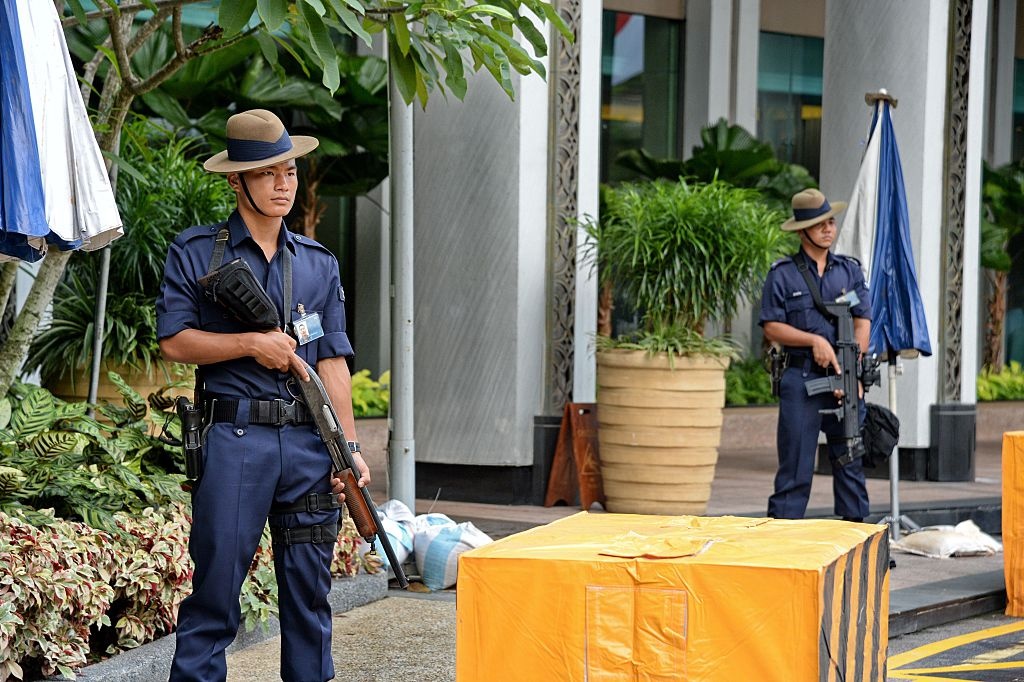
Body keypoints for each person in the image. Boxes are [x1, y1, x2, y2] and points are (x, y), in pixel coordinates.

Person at [156, 109, 370, 682]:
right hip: (235, 442)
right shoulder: (198, 252)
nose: (283, 185)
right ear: (236, 180)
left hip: (306, 446)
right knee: (216, 598)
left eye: (291, 172)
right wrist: (251, 344)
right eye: (268, 173)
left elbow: (331, 360)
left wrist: (347, 448)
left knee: (309, 602)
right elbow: (175, 342)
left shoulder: (319, 264)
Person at [759, 188, 871, 522]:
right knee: (795, 469)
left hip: (845, 382)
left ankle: (856, 543)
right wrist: (813, 341)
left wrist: (851, 370)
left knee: (850, 464)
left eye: (831, 222)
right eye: (820, 224)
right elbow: (771, 326)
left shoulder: (848, 271)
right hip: (801, 379)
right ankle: (780, 546)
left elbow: (863, 321)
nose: (828, 229)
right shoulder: (783, 273)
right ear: (802, 230)